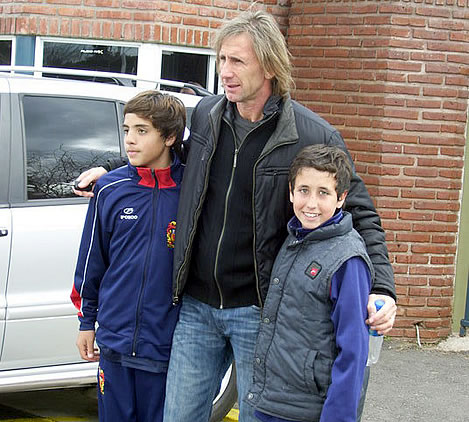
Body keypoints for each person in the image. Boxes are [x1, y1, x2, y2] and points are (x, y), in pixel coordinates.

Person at [74, 9, 397, 422]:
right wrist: (115, 169)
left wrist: (383, 288)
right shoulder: (207, 115)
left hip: (258, 310)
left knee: (257, 416)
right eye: (222, 59)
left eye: (237, 61)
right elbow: (170, 155)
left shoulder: (311, 134)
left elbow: (362, 214)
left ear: (269, 65)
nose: (224, 71)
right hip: (195, 306)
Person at [70, 90, 186, 422]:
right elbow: (92, 261)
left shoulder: (191, 189)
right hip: (115, 343)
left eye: (142, 130)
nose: (129, 140)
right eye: (126, 130)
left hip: (165, 346)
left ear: (170, 137)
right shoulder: (109, 189)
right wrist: (85, 322)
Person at [246, 144, 372, 422]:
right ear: (291, 192)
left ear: (341, 198)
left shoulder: (348, 260)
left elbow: (353, 351)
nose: (311, 204)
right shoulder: (294, 238)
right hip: (271, 402)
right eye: (303, 191)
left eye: (323, 193)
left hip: (308, 411)